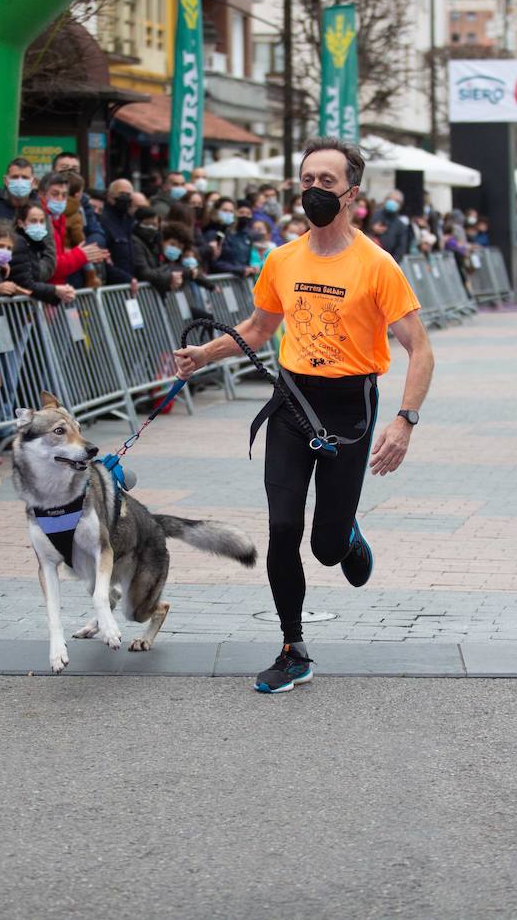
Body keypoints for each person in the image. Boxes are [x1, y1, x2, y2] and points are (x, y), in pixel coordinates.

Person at [174, 137, 435, 695]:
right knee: (284, 527)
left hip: (350, 408)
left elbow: (421, 347)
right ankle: (293, 649)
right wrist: (204, 355)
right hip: (293, 402)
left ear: (352, 195)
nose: (314, 189)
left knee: (326, 546)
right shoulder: (282, 259)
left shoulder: (377, 265)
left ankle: (347, 538)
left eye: (327, 181)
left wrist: (405, 421)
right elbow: (258, 330)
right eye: (307, 179)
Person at [9, 202, 74, 305]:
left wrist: (56, 295)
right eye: (33, 221)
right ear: (21, 223)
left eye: (42, 221)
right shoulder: (19, 244)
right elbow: (25, 283)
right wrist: (55, 290)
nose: (38, 225)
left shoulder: (34, 245)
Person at [0, 156, 38, 227]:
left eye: (25, 177)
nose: (20, 181)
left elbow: (47, 237)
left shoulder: (40, 207)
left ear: (33, 182)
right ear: (6, 181)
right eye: (15, 177)